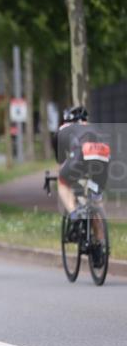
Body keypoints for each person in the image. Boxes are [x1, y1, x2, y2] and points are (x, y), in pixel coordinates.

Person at [53, 106, 110, 253]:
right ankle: (101, 246)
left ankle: (74, 214)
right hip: (103, 156)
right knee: (95, 200)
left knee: (62, 181)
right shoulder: (95, 128)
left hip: (81, 154)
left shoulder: (63, 129)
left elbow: (61, 161)